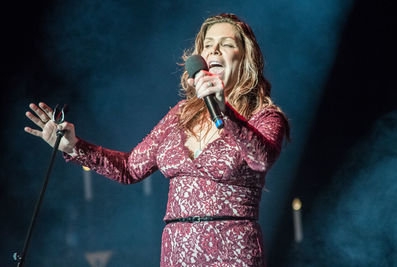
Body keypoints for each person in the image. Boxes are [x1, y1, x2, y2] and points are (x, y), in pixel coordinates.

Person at [25, 13, 289, 267]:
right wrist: (74, 146)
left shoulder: (264, 117)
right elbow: (130, 168)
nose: (215, 51)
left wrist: (225, 113)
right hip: (176, 253)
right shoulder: (180, 115)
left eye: (227, 44)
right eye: (208, 45)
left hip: (232, 253)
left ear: (245, 58)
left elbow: (260, 159)